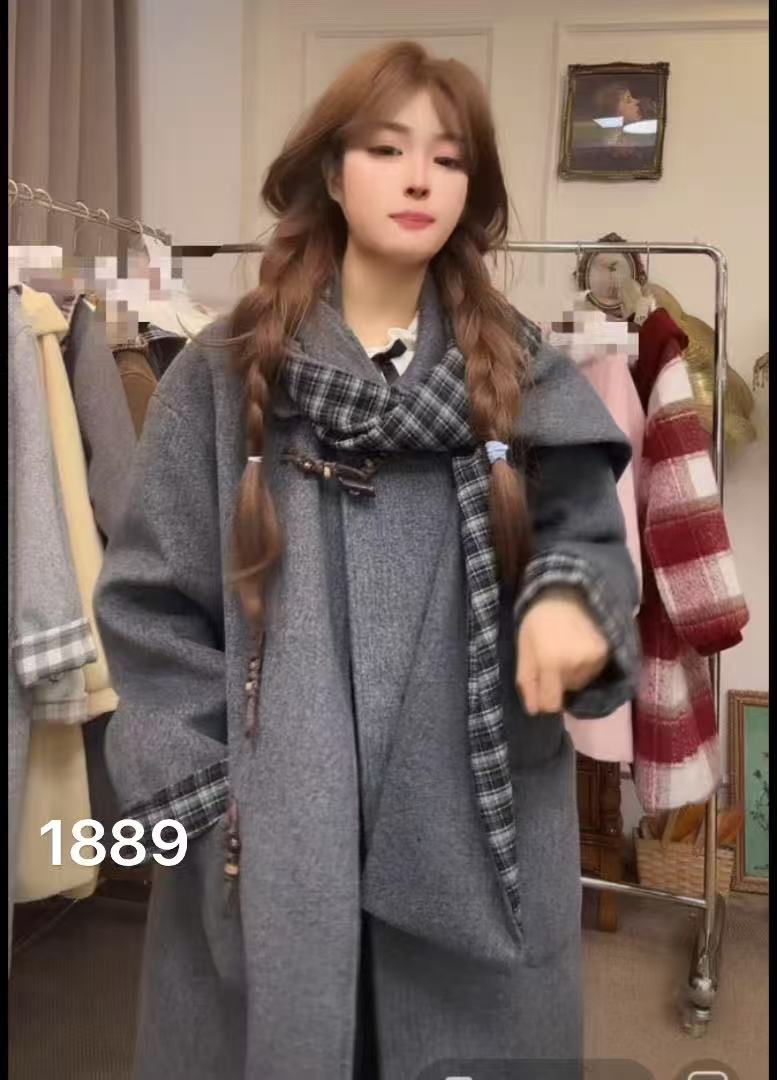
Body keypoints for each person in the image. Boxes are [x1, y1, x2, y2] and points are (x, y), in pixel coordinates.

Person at [95, 40, 639, 1080]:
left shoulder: (522, 373)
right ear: (332, 173)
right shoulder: (222, 375)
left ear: (471, 190)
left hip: (473, 828)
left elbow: (587, 538)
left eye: (449, 155)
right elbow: (148, 609)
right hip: (276, 844)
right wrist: (209, 797)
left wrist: (569, 600)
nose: (419, 176)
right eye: (386, 148)